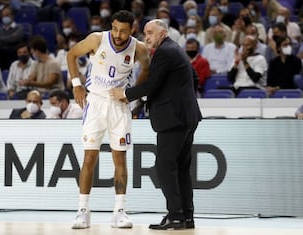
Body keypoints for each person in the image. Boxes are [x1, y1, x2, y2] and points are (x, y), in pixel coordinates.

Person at [110, 19, 202, 230]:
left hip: (173, 119)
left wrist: (124, 94)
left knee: (164, 167)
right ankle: (186, 217)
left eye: (150, 32)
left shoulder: (164, 52)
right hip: (186, 116)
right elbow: (193, 79)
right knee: (181, 169)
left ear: (163, 33)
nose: (146, 36)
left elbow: (151, 84)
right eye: (144, 33)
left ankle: (176, 216)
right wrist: (181, 96)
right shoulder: (175, 50)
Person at [67, 10, 150, 229]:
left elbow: (147, 69)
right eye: (115, 28)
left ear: (132, 30)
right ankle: (83, 211)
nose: (117, 33)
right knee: (89, 158)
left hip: (119, 106)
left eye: (123, 30)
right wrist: (76, 84)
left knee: (120, 160)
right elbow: (72, 54)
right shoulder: (97, 39)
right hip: (95, 103)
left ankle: (119, 211)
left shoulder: (138, 48)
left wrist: (131, 93)